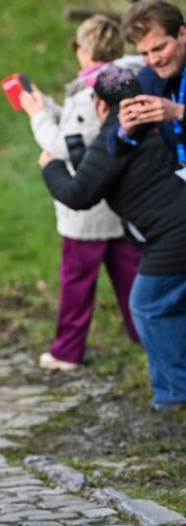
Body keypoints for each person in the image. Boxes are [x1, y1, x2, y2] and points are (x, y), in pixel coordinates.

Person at [41, 64, 186, 412]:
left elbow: (79, 194)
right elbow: (102, 175)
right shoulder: (150, 122)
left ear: (101, 104)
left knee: (147, 306)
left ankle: (173, 394)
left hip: (173, 235)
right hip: (175, 225)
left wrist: (50, 166)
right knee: (168, 304)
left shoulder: (115, 137)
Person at [19, 15, 143, 371]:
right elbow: (78, 127)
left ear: (85, 49)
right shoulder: (112, 81)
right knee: (131, 275)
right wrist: (48, 106)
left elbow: (61, 143)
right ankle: (146, 334)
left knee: (77, 284)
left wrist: (35, 116)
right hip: (116, 204)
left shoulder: (92, 89)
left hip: (86, 207)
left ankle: (67, 351)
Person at [118, 1, 186, 160]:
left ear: (182, 34)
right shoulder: (148, 79)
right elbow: (118, 149)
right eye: (144, 53)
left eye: (159, 48)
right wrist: (125, 130)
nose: (153, 60)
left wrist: (179, 113)